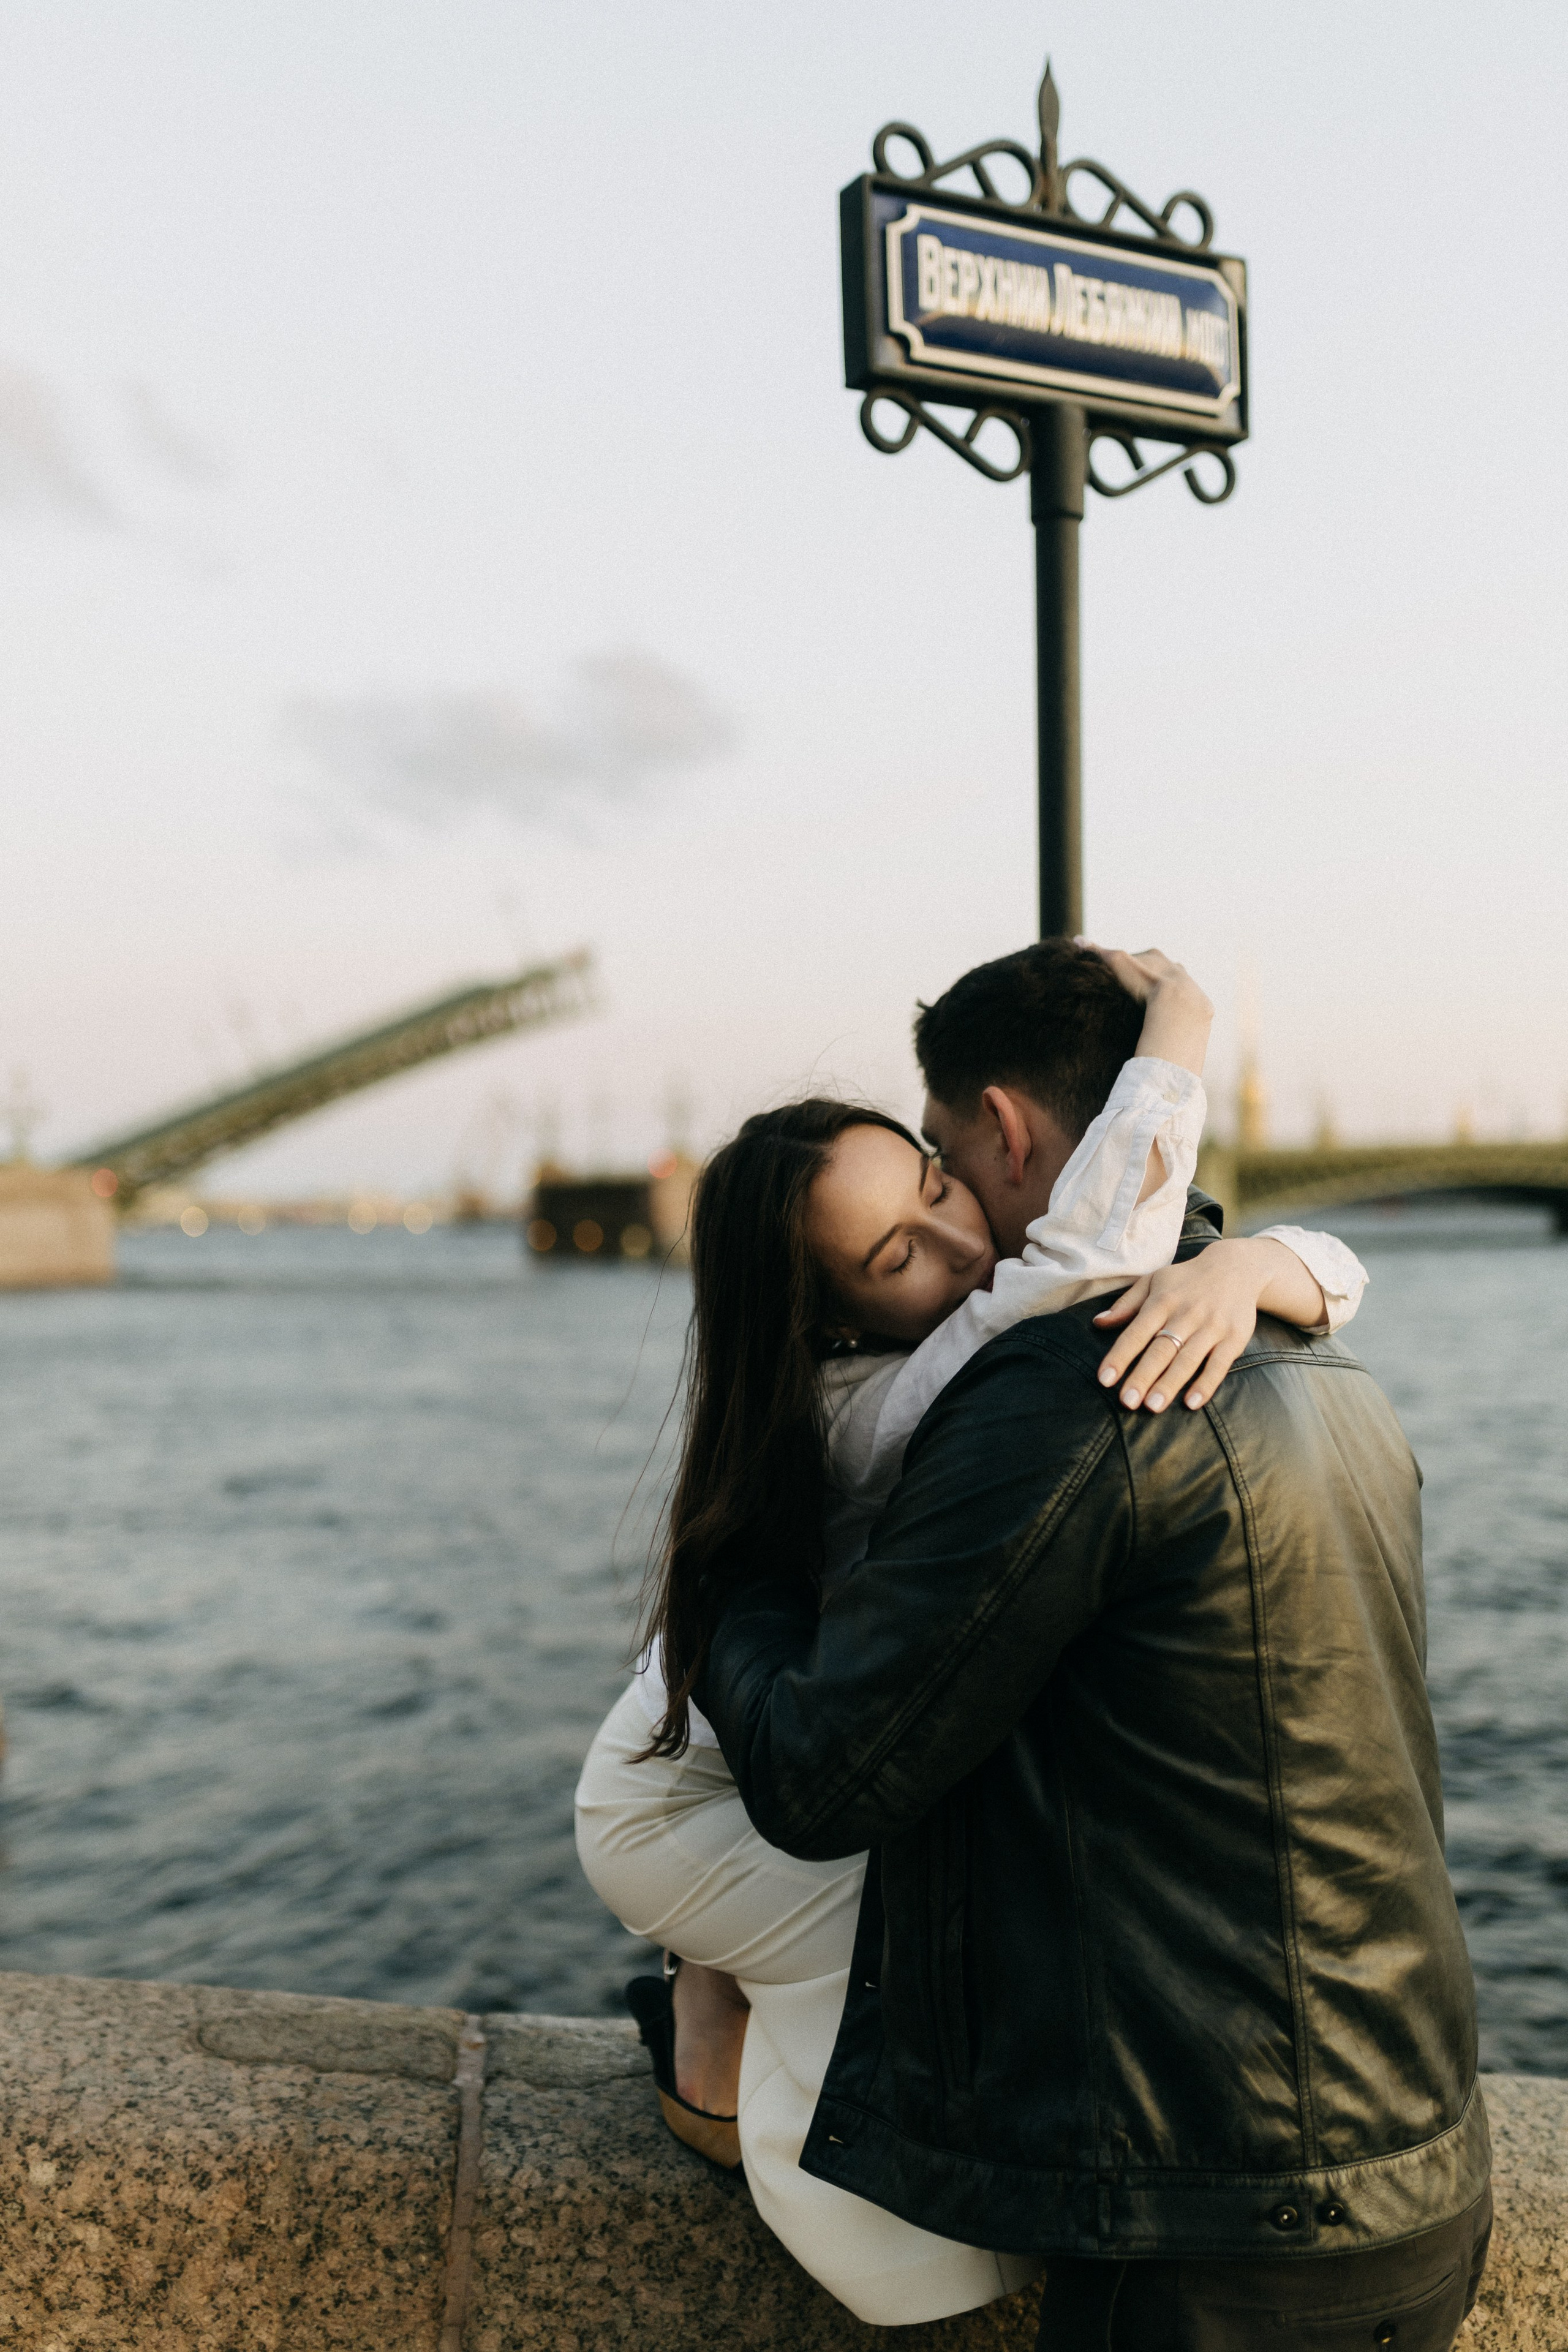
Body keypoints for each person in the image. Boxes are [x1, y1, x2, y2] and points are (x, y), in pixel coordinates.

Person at [697, 939, 1490, 2352]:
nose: (952, 1240)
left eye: (941, 1164)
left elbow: (824, 1778)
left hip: (1221, 2214)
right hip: (1410, 2153)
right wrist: (1260, 1251)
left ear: (999, 1128)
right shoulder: (1310, 1358)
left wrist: (731, 1598)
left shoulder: (1077, 1383)